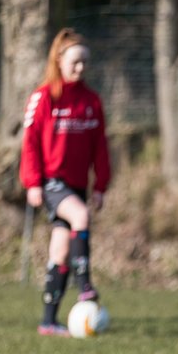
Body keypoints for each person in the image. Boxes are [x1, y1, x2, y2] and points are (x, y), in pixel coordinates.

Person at [19, 28, 112, 336]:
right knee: (80, 216)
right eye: (75, 62)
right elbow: (30, 142)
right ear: (58, 61)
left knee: (59, 253)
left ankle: (48, 321)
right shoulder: (43, 97)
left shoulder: (91, 101)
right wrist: (32, 182)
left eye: (85, 62)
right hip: (50, 182)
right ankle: (84, 284)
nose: (81, 68)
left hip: (76, 185)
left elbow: (100, 146)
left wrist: (100, 185)